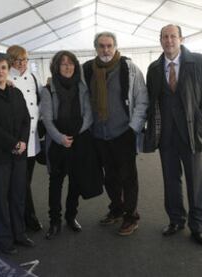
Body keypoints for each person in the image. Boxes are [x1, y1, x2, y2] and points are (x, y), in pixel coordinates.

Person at [143, 24, 202, 246]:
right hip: (165, 135)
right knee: (170, 180)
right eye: (164, 37)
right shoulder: (154, 68)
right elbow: (151, 100)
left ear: (181, 38)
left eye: (173, 36)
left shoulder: (199, 62)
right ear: (160, 40)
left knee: (195, 181)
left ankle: (199, 227)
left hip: (191, 133)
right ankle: (176, 220)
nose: (169, 40)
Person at [82, 32, 148, 236]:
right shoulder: (87, 69)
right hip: (99, 134)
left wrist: (133, 129)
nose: (106, 50)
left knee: (128, 177)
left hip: (123, 133)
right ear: (96, 48)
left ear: (116, 46)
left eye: (109, 46)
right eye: (101, 46)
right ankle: (117, 209)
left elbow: (142, 100)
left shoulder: (129, 68)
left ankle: (131, 216)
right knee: (109, 177)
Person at [0, 53, 34, 255]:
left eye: (3, 67)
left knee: (18, 196)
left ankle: (19, 234)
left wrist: (22, 142)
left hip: (18, 154)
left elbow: (25, 120)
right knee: (0, 200)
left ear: (8, 69)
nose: (0, 71)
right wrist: (13, 143)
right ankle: (4, 240)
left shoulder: (16, 93)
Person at [41, 50, 95, 239]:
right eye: (63, 64)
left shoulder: (82, 87)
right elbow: (46, 119)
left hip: (79, 140)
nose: (67, 67)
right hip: (58, 143)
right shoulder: (48, 89)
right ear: (56, 67)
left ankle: (71, 217)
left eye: (71, 63)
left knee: (75, 181)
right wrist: (60, 138)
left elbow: (89, 114)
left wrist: (77, 133)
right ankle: (54, 221)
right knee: (55, 183)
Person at [6, 45, 43, 232]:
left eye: (24, 60)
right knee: (19, 182)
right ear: (10, 60)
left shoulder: (34, 77)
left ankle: (24, 217)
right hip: (17, 139)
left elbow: (39, 101)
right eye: (17, 60)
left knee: (26, 181)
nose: (21, 64)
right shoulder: (5, 79)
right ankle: (28, 217)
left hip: (33, 138)